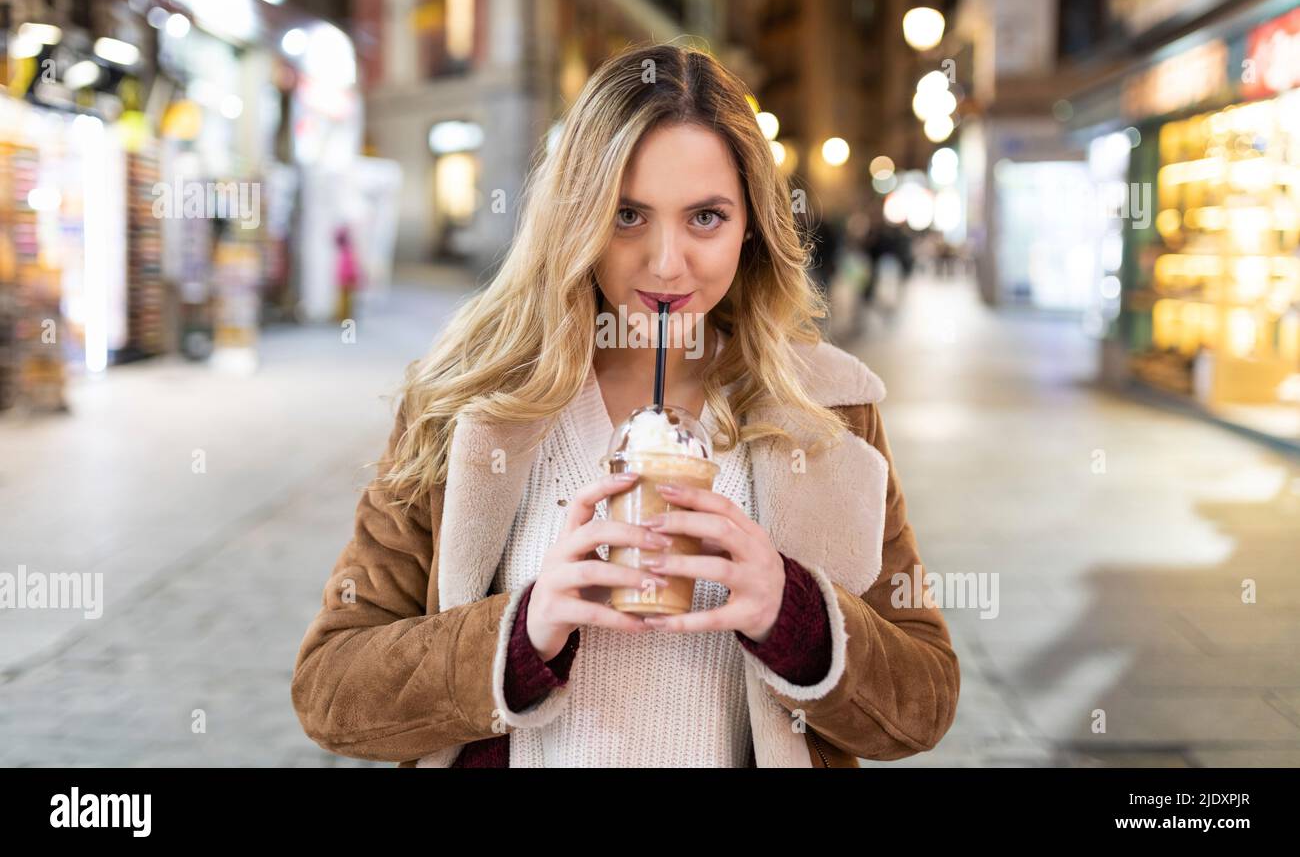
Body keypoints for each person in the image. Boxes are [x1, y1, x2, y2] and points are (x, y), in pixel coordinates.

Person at [291, 43, 959, 768]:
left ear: (753, 226)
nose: (667, 262)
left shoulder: (828, 409)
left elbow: (922, 701)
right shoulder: (465, 400)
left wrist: (794, 615)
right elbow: (332, 689)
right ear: (574, 217)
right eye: (627, 214)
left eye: (706, 217)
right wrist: (519, 635)